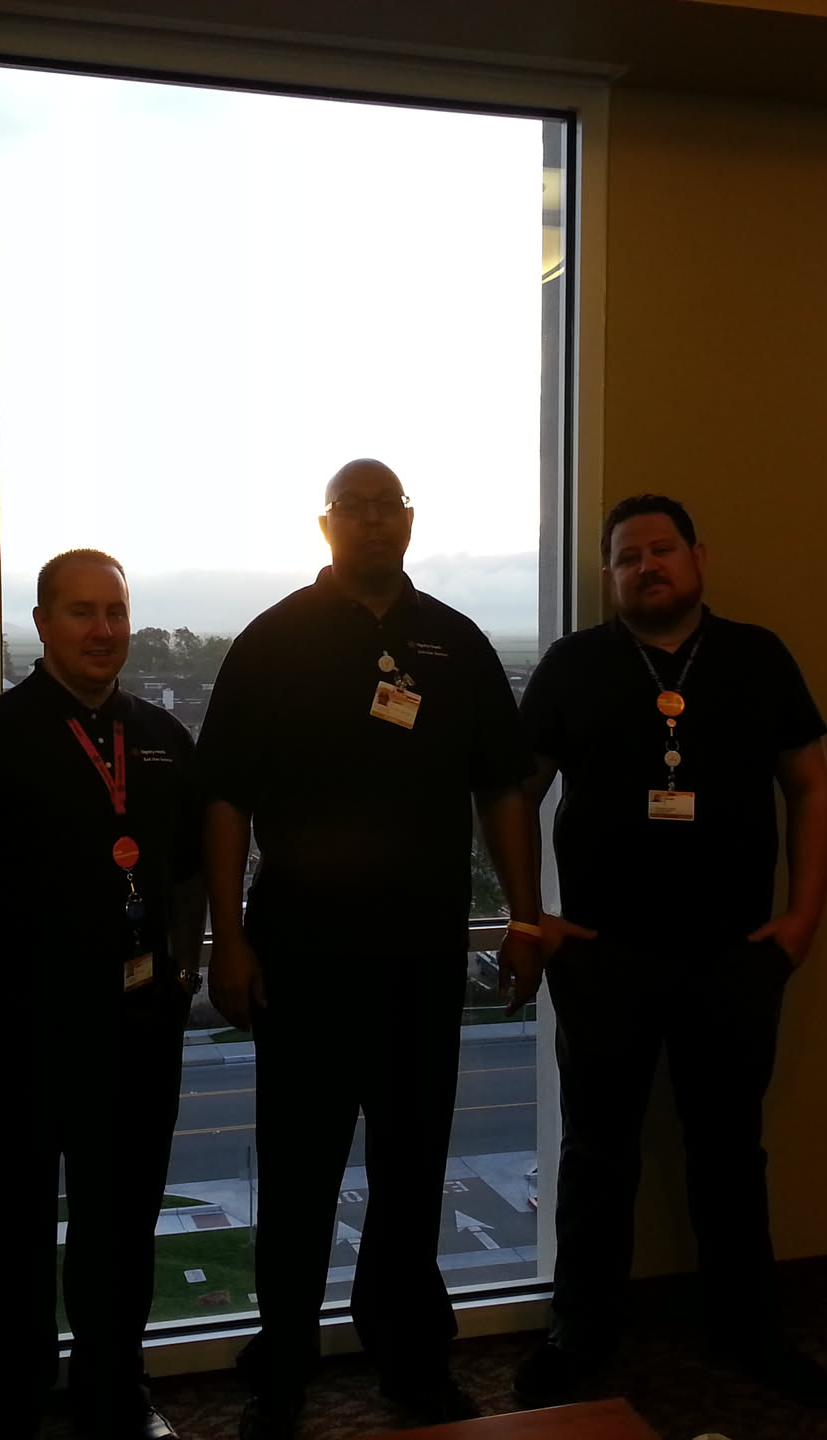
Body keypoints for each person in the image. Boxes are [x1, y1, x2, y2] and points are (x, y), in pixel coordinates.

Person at [198, 459, 542, 1440]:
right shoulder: (271, 641)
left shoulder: (457, 644)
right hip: (299, 959)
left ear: (410, 520)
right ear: (326, 524)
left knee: (412, 1170)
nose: (372, 520)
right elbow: (223, 798)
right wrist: (230, 939)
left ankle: (410, 1361)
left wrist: (525, 917)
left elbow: (502, 789)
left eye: (387, 505)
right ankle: (282, 1371)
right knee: (298, 1173)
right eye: (353, 507)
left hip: (420, 961)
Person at [510, 494, 827, 1410]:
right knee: (596, 1154)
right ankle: (580, 1333)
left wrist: (803, 919)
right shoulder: (574, 665)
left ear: (699, 556)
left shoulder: (758, 657)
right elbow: (513, 795)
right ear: (609, 577)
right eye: (627, 557)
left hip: (733, 955)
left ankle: (749, 1329)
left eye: (661, 550)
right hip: (603, 955)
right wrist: (531, 917)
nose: (646, 567)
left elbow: (812, 789)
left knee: (730, 1152)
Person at [0, 549, 204, 1440]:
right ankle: (7, 1403)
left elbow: (187, 874)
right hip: (16, 1037)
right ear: (41, 623)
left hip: (136, 1031)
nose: (103, 630)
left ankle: (115, 1393)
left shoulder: (162, 738)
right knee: (6, 1233)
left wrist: (181, 977)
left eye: (116, 612)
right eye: (81, 612)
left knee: (123, 1224)